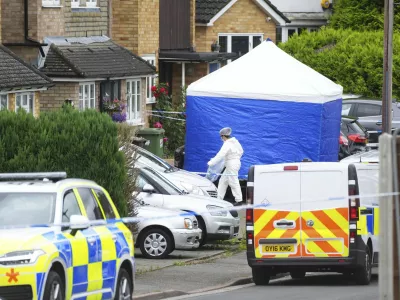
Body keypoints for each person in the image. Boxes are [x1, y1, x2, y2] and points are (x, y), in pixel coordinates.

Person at [208, 127, 244, 205]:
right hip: (234, 163)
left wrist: (211, 163)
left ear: (223, 136)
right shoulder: (235, 142)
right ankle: (219, 199)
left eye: (221, 137)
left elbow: (220, 155)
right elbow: (241, 151)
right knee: (223, 181)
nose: (222, 139)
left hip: (231, 164)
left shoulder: (227, 143)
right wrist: (235, 158)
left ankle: (239, 200)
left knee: (233, 181)